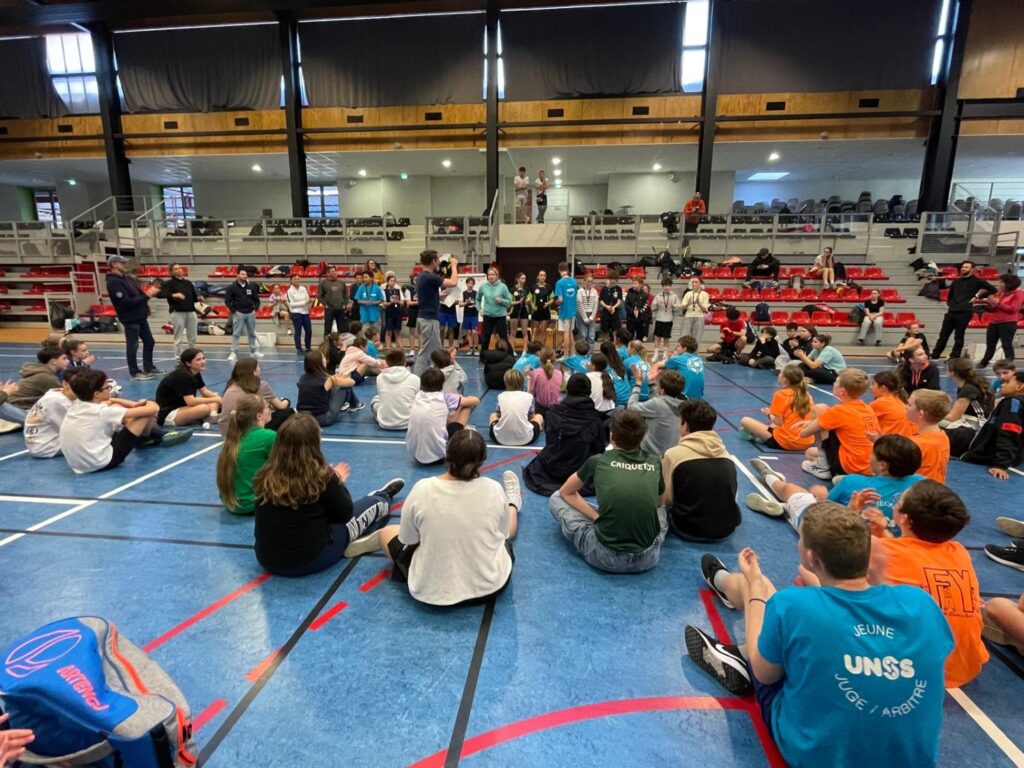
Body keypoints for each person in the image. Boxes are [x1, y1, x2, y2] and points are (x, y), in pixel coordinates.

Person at [685, 503, 953, 768]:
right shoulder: (921, 602)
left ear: (812, 557)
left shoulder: (792, 604)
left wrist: (754, 584)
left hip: (814, 755)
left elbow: (764, 674)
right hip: (911, 760)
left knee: (764, 595)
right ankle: (730, 593)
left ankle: (735, 633)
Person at [862, 480, 987, 687]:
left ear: (905, 519)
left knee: (817, 580)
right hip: (965, 667)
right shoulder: (959, 552)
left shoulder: (882, 549)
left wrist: (852, 512)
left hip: (907, 670)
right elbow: (914, 555)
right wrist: (884, 533)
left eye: (899, 501)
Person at [378, 430, 520, 606]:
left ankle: (512, 505)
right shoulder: (494, 489)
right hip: (490, 588)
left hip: (431, 593)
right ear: (482, 461)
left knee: (387, 533)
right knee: (504, 536)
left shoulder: (422, 489)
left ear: (447, 454)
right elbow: (505, 533)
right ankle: (513, 504)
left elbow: (409, 540)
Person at [253, 413, 403, 576]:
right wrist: (337, 480)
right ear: (313, 444)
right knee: (372, 505)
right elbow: (345, 513)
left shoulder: (265, 473)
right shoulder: (320, 476)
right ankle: (383, 497)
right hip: (312, 560)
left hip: (267, 559)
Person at [549, 410, 666, 572]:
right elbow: (659, 503)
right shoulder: (654, 461)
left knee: (556, 498)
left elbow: (565, 492)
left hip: (606, 557)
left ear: (611, 436)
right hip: (649, 557)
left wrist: (596, 517)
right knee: (661, 511)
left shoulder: (598, 461)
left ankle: (602, 523)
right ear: (642, 438)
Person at [749, 435, 924, 535]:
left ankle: (770, 478)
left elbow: (821, 511)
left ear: (883, 465)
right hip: (883, 542)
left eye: (873, 454)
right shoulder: (920, 483)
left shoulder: (854, 482)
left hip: (832, 538)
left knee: (791, 490)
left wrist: (822, 497)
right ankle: (784, 507)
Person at [60, 369, 191, 474]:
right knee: (144, 415)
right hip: (101, 462)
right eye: (107, 388)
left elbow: (111, 405)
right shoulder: (102, 411)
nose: (110, 390)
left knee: (120, 410)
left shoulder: (76, 407)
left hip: (78, 465)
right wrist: (145, 402)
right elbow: (154, 408)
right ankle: (147, 439)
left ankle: (153, 434)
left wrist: (117, 401)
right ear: (96, 394)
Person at [662, 399, 740, 541]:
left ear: (684, 425)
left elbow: (666, 498)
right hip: (726, 530)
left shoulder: (673, 455)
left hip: (688, 529)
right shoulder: (726, 455)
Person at [523, 373, 607, 495]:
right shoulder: (595, 420)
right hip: (579, 473)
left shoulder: (552, 413)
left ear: (568, 390)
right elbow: (599, 451)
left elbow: (550, 441)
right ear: (589, 392)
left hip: (551, 469)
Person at [800, 368, 880, 480]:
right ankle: (831, 469)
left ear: (842, 391)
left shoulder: (839, 411)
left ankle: (823, 467)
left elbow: (804, 434)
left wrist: (813, 422)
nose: (833, 383)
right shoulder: (867, 408)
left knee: (820, 409)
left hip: (852, 465)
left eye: (836, 382)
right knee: (810, 453)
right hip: (870, 466)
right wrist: (813, 422)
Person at [105, 254, 162, 381]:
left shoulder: (128, 278)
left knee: (149, 341)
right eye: (122, 263)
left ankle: (148, 367)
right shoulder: (113, 282)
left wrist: (145, 304)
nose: (125, 265)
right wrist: (148, 295)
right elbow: (124, 302)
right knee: (133, 345)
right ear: (113, 264)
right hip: (130, 318)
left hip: (140, 315)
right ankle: (134, 372)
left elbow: (139, 294)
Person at [216, 394, 275, 515]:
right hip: (253, 503)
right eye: (267, 407)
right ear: (259, 416)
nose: (270, 409)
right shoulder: (268, 436)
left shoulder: (233, 437)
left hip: (230, 503)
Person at [406, 368, 479, 465]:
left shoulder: (418, 396)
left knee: (443, 414)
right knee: (466, 406)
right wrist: (460, 397)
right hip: (440, 456)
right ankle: (463, 429)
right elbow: (475, 400)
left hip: (415, 454)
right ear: (441, 385)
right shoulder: (445, 397)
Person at [962, 371, 1024, 479]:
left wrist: (1001, 464)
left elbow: (1009, 432)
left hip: (986, 453)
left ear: (1019, 386)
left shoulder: (1013, 403)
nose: (1002, 384)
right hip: (1011, 454)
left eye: (1007, 382)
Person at [739, 366, 814, 450]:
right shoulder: (806, 394)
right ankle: (760, 436)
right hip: (806, 442)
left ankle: (759, 436)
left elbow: (779, 422)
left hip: (786, 442)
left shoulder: (781, 394)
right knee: (774, 425)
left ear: (785, 379)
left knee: (745, 420)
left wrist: (768, 414)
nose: (778, 374)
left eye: (780, 373)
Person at [931, 260, 995, 360]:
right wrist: (950, 304)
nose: (963, 268)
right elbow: (950, 295)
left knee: (959, 336)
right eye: (962, 267)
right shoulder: (956, 282)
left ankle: (955, 356)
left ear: (972, 269)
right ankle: (935, 354)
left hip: (965, 312)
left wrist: (978, 296)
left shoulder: (977, 281)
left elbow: (993, 289)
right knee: (943, 335)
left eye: (966, 267)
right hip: (952, 311)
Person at [0, 343, 69, 426]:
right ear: (53, 361)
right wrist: (6, 392)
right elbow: (65, 399)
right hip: (18, 405)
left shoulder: (44, 371)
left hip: (17, 402)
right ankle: (33, 421)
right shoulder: (46, 377)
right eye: (64, 359)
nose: (68, 361)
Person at [414, 251, 459, 376]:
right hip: (428, 319)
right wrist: (454, 265)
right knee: (426, 351)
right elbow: (453, 282)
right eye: (437, 260)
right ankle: (418, 378)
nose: (439, 262)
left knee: (434, 350)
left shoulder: (423, 276)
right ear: (433, 261)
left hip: (426, 317)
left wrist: (437, 295)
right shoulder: (429, 276)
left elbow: (424, 295)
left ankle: (433, 375)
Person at [219, 358, 292, 434]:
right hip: (247, 429)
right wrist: (286, 400)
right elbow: (280, 406)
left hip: (227, 431)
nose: (260, 369)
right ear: (254, 371)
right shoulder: (261, 385)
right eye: (258, 367)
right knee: (288, 412)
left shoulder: (230, 386)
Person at [24, 368, 83, 458]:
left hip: (48, 439)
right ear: (65, 384)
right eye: (77, 386)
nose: (82, 390)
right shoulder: (57, 401)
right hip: (46, 446)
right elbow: (77, 429)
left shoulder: (64, 394)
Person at [155, 349, 222, 428]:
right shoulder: (182, 375)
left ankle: (212, 415)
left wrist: (219, 398)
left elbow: (204, 391)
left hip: (183, 406)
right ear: (188, 363)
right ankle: (208, 414)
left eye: (203, 358)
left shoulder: (195, 371)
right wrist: (216, 400)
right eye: (198, 360)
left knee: (214, 395)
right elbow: (191, 401)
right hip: (168, 413)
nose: (203, 361)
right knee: (204, 408)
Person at [942, 357, 995, 455]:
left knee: (931, 423)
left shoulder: (968, 389)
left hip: (975, 425)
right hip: (976, 422)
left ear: (952, 372)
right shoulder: (969, 384)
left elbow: (953, 417)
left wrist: (933, 414)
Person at [627, 368, 684, 456]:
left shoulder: (658, 404)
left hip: (653, 453)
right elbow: (660, 399)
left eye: (658, 385)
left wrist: (638, 384)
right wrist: (651, 383)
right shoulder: (682, 402)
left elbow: (631, 407)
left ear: (662, 390)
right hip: (672, 451)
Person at [296, 350, 360, 427]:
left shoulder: (302, 378)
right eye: (323, 358)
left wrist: (335, 378)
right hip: (323, 419)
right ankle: (355, 404)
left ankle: (352, 404)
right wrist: (339, 378)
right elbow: (352, 382)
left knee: (325, 391)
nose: (325, 360)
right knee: (344, 388)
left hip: (303, 418)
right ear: (320, 362)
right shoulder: (328, 379)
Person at [905, 389, 952, 483]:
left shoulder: (916, 444)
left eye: (909, 405)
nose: (906, 407)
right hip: (934, 489)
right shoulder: (943, 436)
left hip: (917, 493)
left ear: (921, 414)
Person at [978, 273, 1024, 367]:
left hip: (1008, 322)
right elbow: (995, 308)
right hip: (994, 322)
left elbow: (1013, 309)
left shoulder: (1019, 293)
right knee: (990, 344)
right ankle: (984, 362)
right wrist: (985, 307)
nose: (998, 284)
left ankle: (1009, 364)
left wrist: (997, 303)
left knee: (1006, 345)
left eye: (1001, 282)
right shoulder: (1001, 293)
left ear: (1008, 283)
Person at [489, 369, 543, 446]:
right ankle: (532, 429)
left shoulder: (501, 396)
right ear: (522, 382)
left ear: (506, 382)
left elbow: (498, 415)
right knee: (539, 416)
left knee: (493, 415)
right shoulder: (529, 397)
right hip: (526, 439)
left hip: (499, 439)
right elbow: (531, 417)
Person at [158, 263, 199, 357]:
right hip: (177, 312)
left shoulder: (188, 283)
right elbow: (159, 294)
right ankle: (178, 357)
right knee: (178, 336)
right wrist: (174, 295)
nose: (179, 270)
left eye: (179, 268)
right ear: (171, 272)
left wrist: (199, 298)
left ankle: (192, 355)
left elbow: (194, 297)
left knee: (192, 337)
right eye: (176, 269)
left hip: (191, 311)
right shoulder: (169, 283)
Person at [372, 349, 420, 430]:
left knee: (375, 400)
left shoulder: (380, 378)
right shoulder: (415, 379)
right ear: (405, 363)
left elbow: (382, 398)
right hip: (408, 423)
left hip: (385, 424)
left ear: (387, 363)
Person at [225, 267, 262, 362]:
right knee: (236, 334)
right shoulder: (231, 287)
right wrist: (234, 311)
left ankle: (253, 351)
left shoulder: (251, 287)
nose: (245, 276)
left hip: (250, 313)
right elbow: (227, 301)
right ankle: (234, 352)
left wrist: (255, 310)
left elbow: (257, 300)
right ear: (237, 275)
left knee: (252, 333)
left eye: (245, 274)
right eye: (242, 274)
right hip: (239, 314)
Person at [652, 335, 705, 399]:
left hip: (684, 398)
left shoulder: (677, 359)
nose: (677, 348)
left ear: (684, 348)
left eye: (679, 346)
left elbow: (658, 364)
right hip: (699, 398)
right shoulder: (699, 360)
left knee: (663, 372)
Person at [478, 267, 512, 354]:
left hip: (500, 316)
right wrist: (479, 309)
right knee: (486, 338)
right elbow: (477, 299)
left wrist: (502, 301)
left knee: (503, 337)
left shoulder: (503, 287)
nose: (491, 276)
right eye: (489, 275)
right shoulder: (483, 287)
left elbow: (509, 302)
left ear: (497, 276)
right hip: (488, 316)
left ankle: (509, 356)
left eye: (493, 274)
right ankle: (483, 357)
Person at [869, 370, 914, 436]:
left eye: (873, 384)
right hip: (906, 440)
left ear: (883, 388)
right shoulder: (900, 399)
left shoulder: (880, 403)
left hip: (891, 442)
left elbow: (862, 420)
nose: (870, 387)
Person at [553, 262, 578, 358]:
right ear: (567, 270)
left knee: (566, 332)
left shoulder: (559, 282)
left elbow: (560, 299)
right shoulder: (574, 281)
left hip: (565, 311)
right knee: (571, 331)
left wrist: (556, 303)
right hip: (573, 310)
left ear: (559, 270)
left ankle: (566, 355)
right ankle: (572, 353)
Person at [529, 348, 563, 415]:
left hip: (540, 407)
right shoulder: (559, 373)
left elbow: (531, 392)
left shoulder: (535, 373)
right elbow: (560, 390)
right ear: (554, 358)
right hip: (556, 407)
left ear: (540, 358)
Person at [318, 265, 350, 337]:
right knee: (328, 328)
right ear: (328, 274)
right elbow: (319, 296)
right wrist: (325, 304)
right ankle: (327, 345)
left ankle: (341, 344)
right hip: (329, 308)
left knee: (342, 328)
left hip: (340, 308)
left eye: (335, 271)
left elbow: (345, 294)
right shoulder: (323, 283)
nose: (335, 272)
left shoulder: (341, 282)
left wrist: (345, 303)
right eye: (332, 271)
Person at [285, 273, 312, 354]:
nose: (297, 280)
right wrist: (304, 302)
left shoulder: (303, 288)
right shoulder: (289, 291)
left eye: (298, 279)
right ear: (291, 280)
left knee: (309, 331)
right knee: (298, 332)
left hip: (305, 312)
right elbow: (291, 305)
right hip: (296, 313)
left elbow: (308, 299)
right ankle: (299, 348)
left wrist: (307, 302)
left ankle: (308, 347)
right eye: (295, 279)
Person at [678, 277, 709, 343]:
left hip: (699, 317)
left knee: (696, 338)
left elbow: (705, 309)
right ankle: (683, 353)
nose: (694, 284)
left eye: (696, 282)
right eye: (693, 282)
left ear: (700, 284)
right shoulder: (688, 293)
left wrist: (699, 303)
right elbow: (683, 307)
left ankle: (695, 353)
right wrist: (688, 303)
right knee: (684, 336)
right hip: (688, 316)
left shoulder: (705, 294)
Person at [528, 269, 555, 343]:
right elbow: (529, 299)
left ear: (545, 277)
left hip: (545, 312)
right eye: (541, 275)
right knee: (536, 331)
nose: (542, 277)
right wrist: (532, 306)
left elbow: (553, 298)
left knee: (543, 331)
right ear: (538, 277)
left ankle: (542, 347)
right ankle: (535, 348)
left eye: (544, 275)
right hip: (536, 312)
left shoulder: (548, 287)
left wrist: (548, 304)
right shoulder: (533, 287)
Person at [381, 273, 405, 351]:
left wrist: (398, 302)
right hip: (389, 312)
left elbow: (402, 303)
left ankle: (401, 349)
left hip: (398, 312)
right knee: (389, 331)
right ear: (387, 282)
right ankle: (388, 349)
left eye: (394, 281)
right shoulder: (384, 291)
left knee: (398, 331)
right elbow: (384, 303)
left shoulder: (398, 290)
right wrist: (391, 302)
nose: (393, 282)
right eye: (391, 281)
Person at [508, 272, 531, 350]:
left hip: (524, 312)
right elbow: (509, 302)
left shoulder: (527, 289)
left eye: (525, 278)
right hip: (514, 311)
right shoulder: (512, 290)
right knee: (513, 332)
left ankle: (525, 350)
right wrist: (518, 302)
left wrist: (528, 300)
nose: (524, 280)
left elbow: (529, 298)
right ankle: (512, 350)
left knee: (524, 332)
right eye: (522, 278)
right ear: (517, 279)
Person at [458, 277, 480, 355]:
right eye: (469, 283)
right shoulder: (463, 293)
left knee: (474, 332)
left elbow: (479, 304)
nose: (470, 285)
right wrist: (466, 303)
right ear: (466, 283)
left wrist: (476, 305)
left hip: (474, 315)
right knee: (469, 332)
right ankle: (471, 349)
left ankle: (476, 349)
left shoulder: (476, 293)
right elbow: (460, 304)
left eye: (472, 283)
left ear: (474, 284)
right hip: (467, 315)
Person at [598, 272, 623, 340]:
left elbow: (619, 300)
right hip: (605, 312)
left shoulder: (618, 289)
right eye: (611, 279)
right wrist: (606, 306)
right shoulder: (604, 289)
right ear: (609, 279)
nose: (613, 280)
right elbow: (601, 300)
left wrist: (614, 307)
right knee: (605, 331)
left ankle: (615, 344)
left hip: (615, 312)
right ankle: (606, 344)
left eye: (614, 279)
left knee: (615, 332)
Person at [576, 273, 599, 346]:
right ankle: (583, 354)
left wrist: (592, 317)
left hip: (592, 314)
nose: (589, 283)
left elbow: (596, 305)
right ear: (584, 281)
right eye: (588, 281)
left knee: (591, 336)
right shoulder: (579, 291)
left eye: (591, 281)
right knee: (583, 335)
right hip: (582, 315)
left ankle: (590, 354)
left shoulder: (594, 291)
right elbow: (580, 305)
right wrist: (585, 318)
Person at [403, 270, 420, 351]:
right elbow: (409, 303)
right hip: (412, 311)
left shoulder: (423, 289)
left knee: (421, 331)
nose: (416, 281)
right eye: (415, 279)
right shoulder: (408, 289)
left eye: (418, 279)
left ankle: (421, 348)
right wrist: (418, 302)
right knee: (412, 330)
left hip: (421, 311)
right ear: (412, 280)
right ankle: (412, 348)